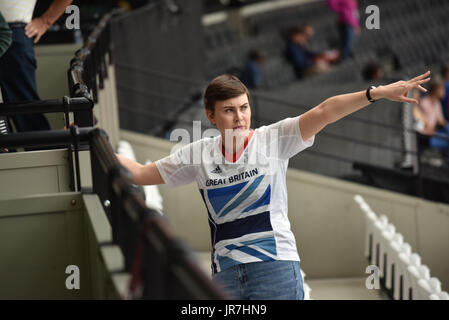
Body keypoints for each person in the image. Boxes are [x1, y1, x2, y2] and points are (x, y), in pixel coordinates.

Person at [116, 71, 430, 300]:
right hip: (225, 275)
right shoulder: (198, 154)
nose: (240, 117)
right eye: (229, 110)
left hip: (275, 269)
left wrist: (374, 94)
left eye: (244, 107)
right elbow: (143, 174)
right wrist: (98, 143)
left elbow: (325, 111)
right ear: (211, 116)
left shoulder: (272, 139)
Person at [0, 0, 73, 133]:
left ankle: (43, 153)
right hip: (11, 34)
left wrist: (45, 21)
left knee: (26, 110)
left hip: (13, 34)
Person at [414, 80, 449, 160]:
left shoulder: (437, 103)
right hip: (425, 135)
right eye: (442, 89)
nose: (444, 92)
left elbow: (441, 120)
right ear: (436, 90)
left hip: (432, 133)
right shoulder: (425, 102)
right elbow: (422, 122)